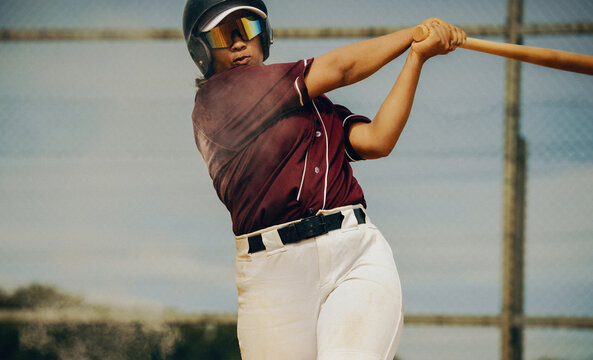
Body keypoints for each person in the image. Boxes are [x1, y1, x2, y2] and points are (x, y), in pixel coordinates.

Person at [182, 0, 466, 359]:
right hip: (273, 276)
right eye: (224, 33)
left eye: (250, 28)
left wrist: (416, 58)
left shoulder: (308, 102)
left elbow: (377, 140)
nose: (240, 43)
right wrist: (413, 33)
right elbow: (342, 68)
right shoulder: (218, 99)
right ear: (201, 51)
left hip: (353, 254)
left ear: (264, 37)